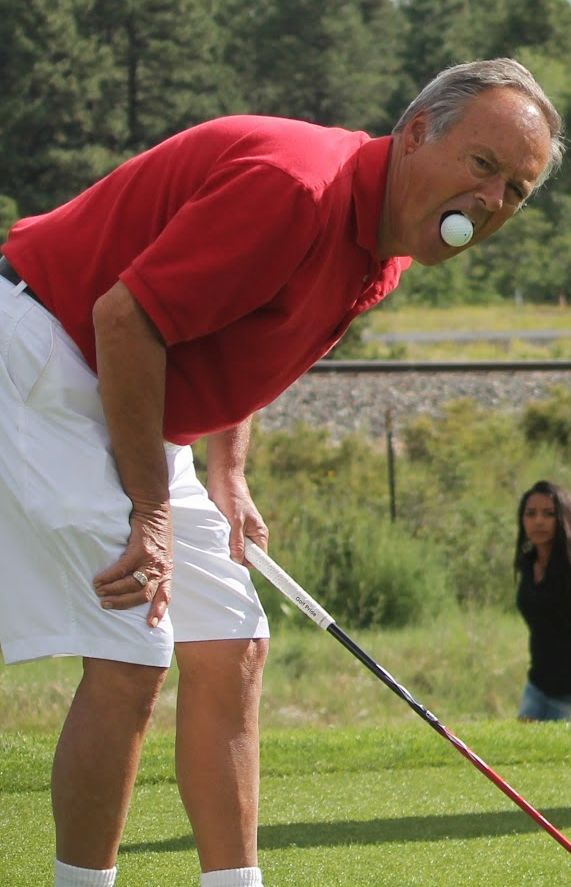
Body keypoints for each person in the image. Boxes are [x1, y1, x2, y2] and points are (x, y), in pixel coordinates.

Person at [0, 57, 563, 886]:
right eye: (481, 164)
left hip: (127, 387)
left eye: (515, 190)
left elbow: (237, 333)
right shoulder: (298, 190)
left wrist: (228, 472)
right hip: (49, 352)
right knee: (132, 645)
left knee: (233, 640)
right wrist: (151, 512)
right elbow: (125, 318)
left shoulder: (385, 247)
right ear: (415, 134)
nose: (491, 200)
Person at [515, 480, 571, 722]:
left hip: (567, 692)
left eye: (549, 514)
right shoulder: (528, 564)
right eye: (531, 514)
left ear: (563, 519)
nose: (539, 521)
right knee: (518, 745)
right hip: (537, 685)